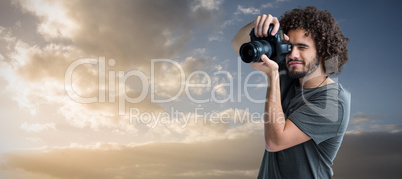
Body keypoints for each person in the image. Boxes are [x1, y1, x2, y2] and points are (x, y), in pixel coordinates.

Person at [232, 6, 351, 179]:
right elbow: (237, 43)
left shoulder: (333, 101)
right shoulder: (290, 72)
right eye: (289, 47)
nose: (293, 54)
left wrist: (272, 75)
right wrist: (264, 25)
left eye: (302, 47)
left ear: (324, 52)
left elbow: (275, 142)